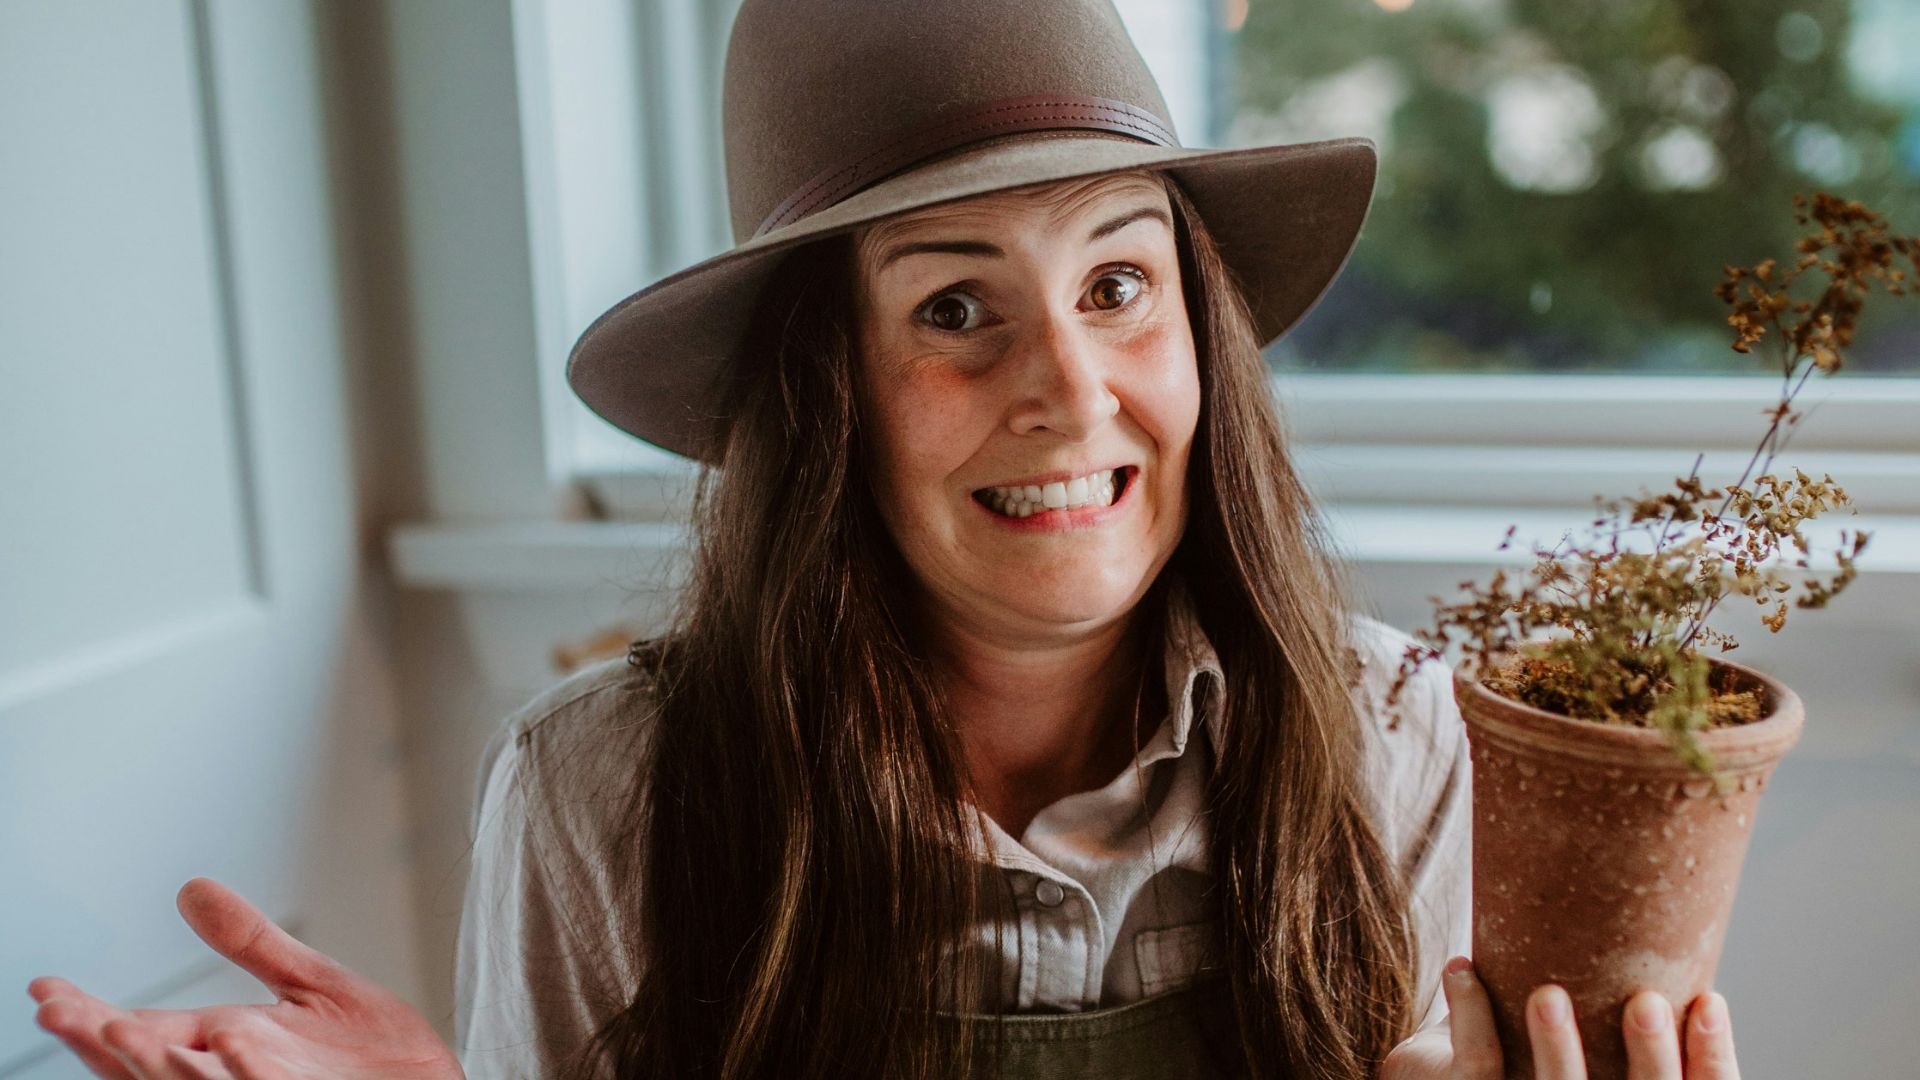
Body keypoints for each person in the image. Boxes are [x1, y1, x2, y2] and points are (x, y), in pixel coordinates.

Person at [25, 0, 1745, 1078]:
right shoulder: (601, 792)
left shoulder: (1391, 736)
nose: (1072, 393)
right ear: (822, 387)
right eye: (954, 308)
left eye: (1119, 282)